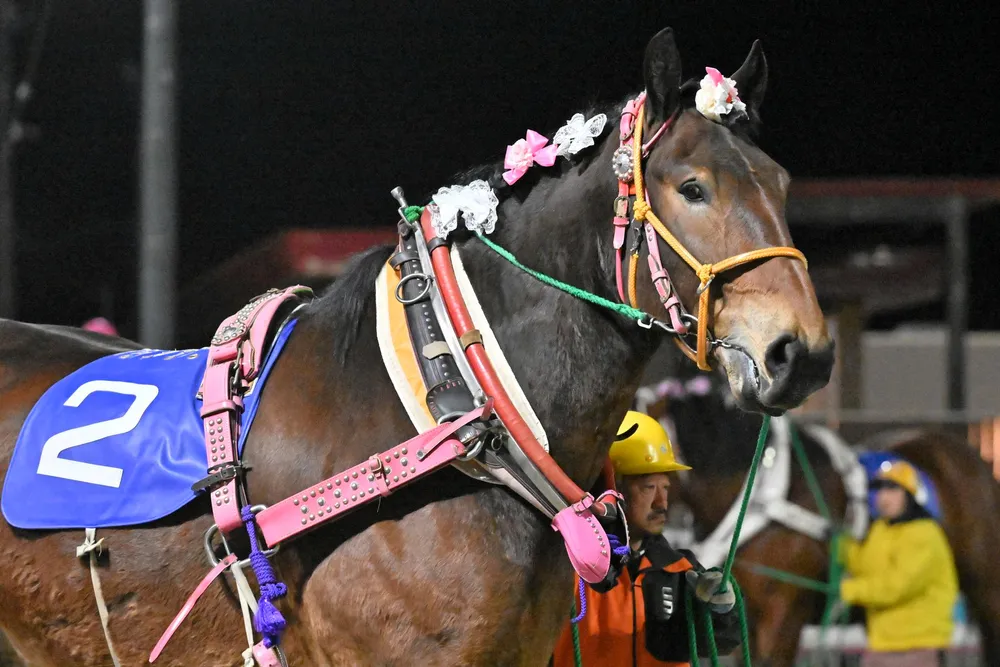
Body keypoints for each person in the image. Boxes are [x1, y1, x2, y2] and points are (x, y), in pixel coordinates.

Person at [551, 411, 741, 667]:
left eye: (665, 489)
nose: (662, 503)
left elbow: (720, 642)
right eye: (649, 488)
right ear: (612, 488)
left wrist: (720, 612)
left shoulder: (680, 570)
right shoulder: (566, 570)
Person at [839, 459, 959, 667]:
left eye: (893, 489)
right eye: (880, 490)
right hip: (881, 645)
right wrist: (838, 545)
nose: (883, 497)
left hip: (919, 648)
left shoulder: (925, 534)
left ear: (910, 495)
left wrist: (846, 590)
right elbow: (863, 566)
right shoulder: (881, 530)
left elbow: (896, 587)